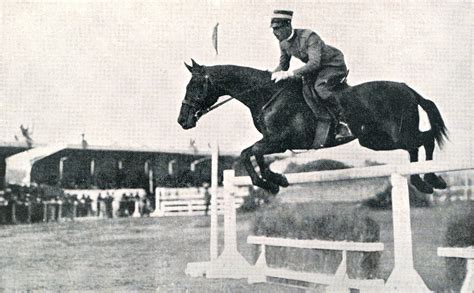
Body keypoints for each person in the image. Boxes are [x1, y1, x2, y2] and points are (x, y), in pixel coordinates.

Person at [270, 10, 353, 147]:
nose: (275, 33)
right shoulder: (283, 43)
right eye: (273, 29)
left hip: (333, 65)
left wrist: (290, 73)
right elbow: (283, 65)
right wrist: (272, 75)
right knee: (305, 89)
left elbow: (314, 63)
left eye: (277, 28)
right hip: (317, 69)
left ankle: (344, 121)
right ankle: (323, 122)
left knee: (320, 88)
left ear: (288, 25)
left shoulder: (309, 37)